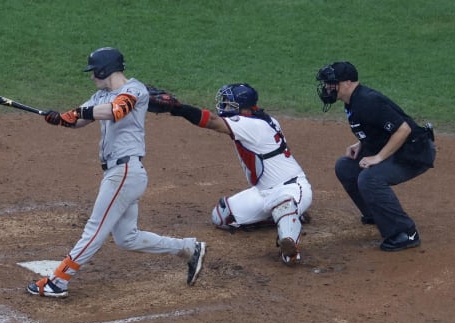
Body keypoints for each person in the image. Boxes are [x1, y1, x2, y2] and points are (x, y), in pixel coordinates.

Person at [27, 47, 206, 298]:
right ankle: (188, 248)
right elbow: (78, 119)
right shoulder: (100, 96)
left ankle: (58, 281)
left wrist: (78, 112)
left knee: (95, 229)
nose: (91, 77)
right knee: (126, 238)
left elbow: (116, 111)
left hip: (124, 172)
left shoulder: (134, 90)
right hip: (119, 173)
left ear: (104, 69)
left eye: (93, 72)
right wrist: (58, 118)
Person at [149, 83, 313, 265]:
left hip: (292, 188)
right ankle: (287, 216)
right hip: (263, 192)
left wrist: (178, 108)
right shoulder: (260, 119)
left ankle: (290, 250)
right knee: (221, 216)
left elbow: (211, 121)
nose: (224, 107)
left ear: (242, 107)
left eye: (229, 103)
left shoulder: (252, 125)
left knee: (283, 204)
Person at [316, 61, 436, 251]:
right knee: (346, 167)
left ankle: (404, 233)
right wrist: (360, 144)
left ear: (347, 82)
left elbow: (403, 129)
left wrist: (378, 157)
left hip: (415, 152)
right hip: (401, 147)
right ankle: (377, 214)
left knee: (369, 178)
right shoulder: (353, 101)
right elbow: (376, 129)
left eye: (331, 83)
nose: (327, 88)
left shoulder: (367, 101)